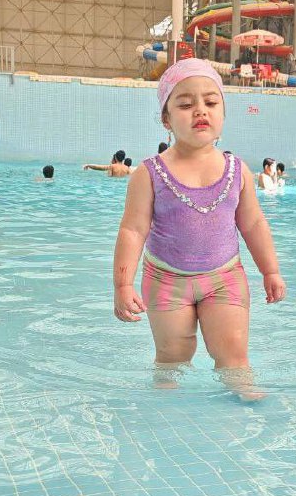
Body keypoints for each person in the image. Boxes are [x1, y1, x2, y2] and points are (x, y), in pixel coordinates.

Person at [113, 58, 286, 399]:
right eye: (185, 104)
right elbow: (133, 231)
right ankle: (165, 396)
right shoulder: (149, 174)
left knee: (232, 351)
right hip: (166, 280)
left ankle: (241, 387)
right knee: (173, 356)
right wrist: (122, 283)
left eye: (210, 102)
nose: (200, 111)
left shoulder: (237, 170)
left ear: (223, 112)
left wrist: (271, 270)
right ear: (166, 118)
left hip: (224, 277)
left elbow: (252, 224)